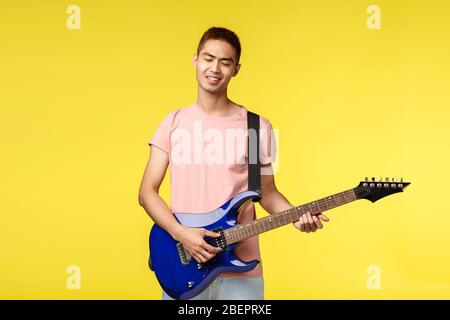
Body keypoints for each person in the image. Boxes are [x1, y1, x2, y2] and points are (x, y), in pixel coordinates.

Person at [138, 27, 330, 300]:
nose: (214, 68)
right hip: (184, 267)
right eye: (208, 58)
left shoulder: (256, 127)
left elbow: (267, 192)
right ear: (195, 60)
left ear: (236, 69)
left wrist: (296, 216)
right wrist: (181, 234)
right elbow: (146, 192)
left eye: (225, 62)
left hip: (241, 272)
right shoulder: (172, 123)